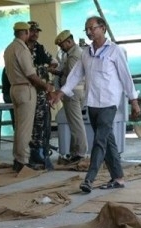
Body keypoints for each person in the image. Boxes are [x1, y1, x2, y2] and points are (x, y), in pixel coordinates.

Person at [49, 16, 141, 193]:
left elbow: (125, 77)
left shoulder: (115, 51)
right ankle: (118, 178)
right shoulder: (86, 53)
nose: (90, 32)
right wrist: (60, 93)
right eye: (87, 29)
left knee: (99, 141)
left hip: (109, 103)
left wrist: (134, 101)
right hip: (92, 103)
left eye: (93, 28)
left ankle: (89, 179)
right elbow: (74, 76)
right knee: (108, 141)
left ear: (103, 28)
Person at [3, 22, 55, 172]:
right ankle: (23, 160)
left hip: (14, 88)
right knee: (26, 129)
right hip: (25, 89)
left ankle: (17, 158)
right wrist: (46, 86)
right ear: (25, 32)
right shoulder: (22, 49)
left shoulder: (8, 49)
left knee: (19, 126)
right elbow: (31, 74)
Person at [26, 21, 57, 170]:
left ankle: (39, 151)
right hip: (27, 90)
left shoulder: (40, 48)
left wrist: (44, 70)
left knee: (42, 122)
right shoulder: (22, 48)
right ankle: (28, 153)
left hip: (41, 91)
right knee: (27, 123)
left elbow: (54, 63)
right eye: (32, 31)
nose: (35, 34)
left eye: (37, 31)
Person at [53, 29, 87, 164]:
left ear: (69, 41)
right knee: (74, 124)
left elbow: (72, 76)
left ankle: (80, 153)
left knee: (76, 124)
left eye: (63, 45)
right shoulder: (74, 53)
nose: (62, 48)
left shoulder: (74, 55)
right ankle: (75, 152)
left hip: (72, 93)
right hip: (74, 92)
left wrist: (57, 73)